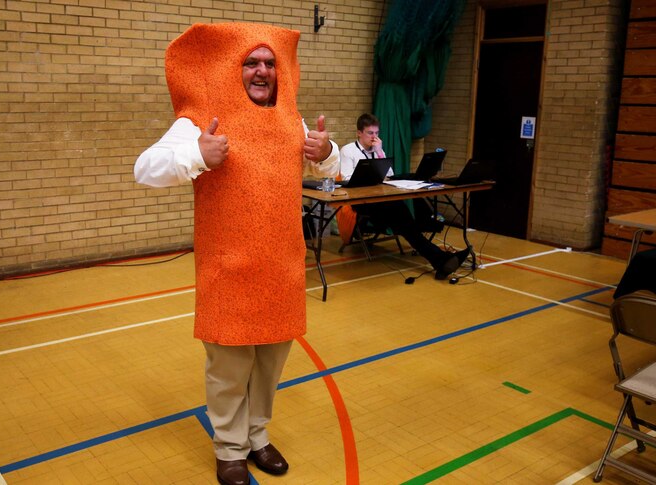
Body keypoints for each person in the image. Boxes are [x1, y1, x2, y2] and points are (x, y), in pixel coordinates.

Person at [134, 23, 339, 485]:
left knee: (270, 363)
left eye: (269, 62)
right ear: (236, 69)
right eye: (251, 62)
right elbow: (144, 169)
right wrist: (196, 155)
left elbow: (335, 163)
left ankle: (258, 439)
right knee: (229, 368)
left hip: (282, 265)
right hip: (227, 267)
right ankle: (229, 448)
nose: (262, 70)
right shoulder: (199, 117)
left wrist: (326, 152)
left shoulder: (293, 116)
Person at [339, 113, 469, 280]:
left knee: (407, 215)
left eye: (377, 133)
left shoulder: (378, 149)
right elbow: (347, 179)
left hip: (382, 199)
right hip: (362, 202)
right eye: (370, 133)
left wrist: (379, 153)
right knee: (404, 220)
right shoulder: (348, 150)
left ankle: (440, 259)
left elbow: (390, 175)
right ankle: (440, 258)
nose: (374, 137)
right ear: (359, 133)